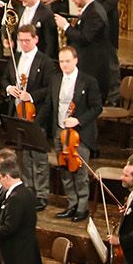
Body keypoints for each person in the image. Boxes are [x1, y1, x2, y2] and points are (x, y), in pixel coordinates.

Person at [45, 47, 103, 221]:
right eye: (61, 61)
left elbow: (97, 108)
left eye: (67, 61)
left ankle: (82, 208)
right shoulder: (55, 79)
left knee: (79, 172)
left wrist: (78, 120)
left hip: (79, 134)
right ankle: (72, 204)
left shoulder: (88, 81)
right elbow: (49, 104)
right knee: (65, 170)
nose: (64, 64)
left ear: (76, 61)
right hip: (59, 131)